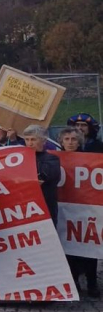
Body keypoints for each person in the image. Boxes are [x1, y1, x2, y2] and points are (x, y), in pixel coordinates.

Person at [58, 127, 99, 298]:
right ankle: (73, 280)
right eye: (66, 139)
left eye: (73, 139)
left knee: (90, 246)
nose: (70, 142)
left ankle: (92, 282)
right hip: (65, 209)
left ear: (79, 141)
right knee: (68, 247)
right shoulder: (56, 159)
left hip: (86, 208)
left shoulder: (90, 160)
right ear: (61, 142)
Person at [23, 125, 60, 226]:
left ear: (43, 141)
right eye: (27, 139)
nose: (30, 143)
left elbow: (46, 174)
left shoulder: (52, 159)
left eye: (33, 139)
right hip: (25, 210)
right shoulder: (20, 159)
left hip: (46, 208)